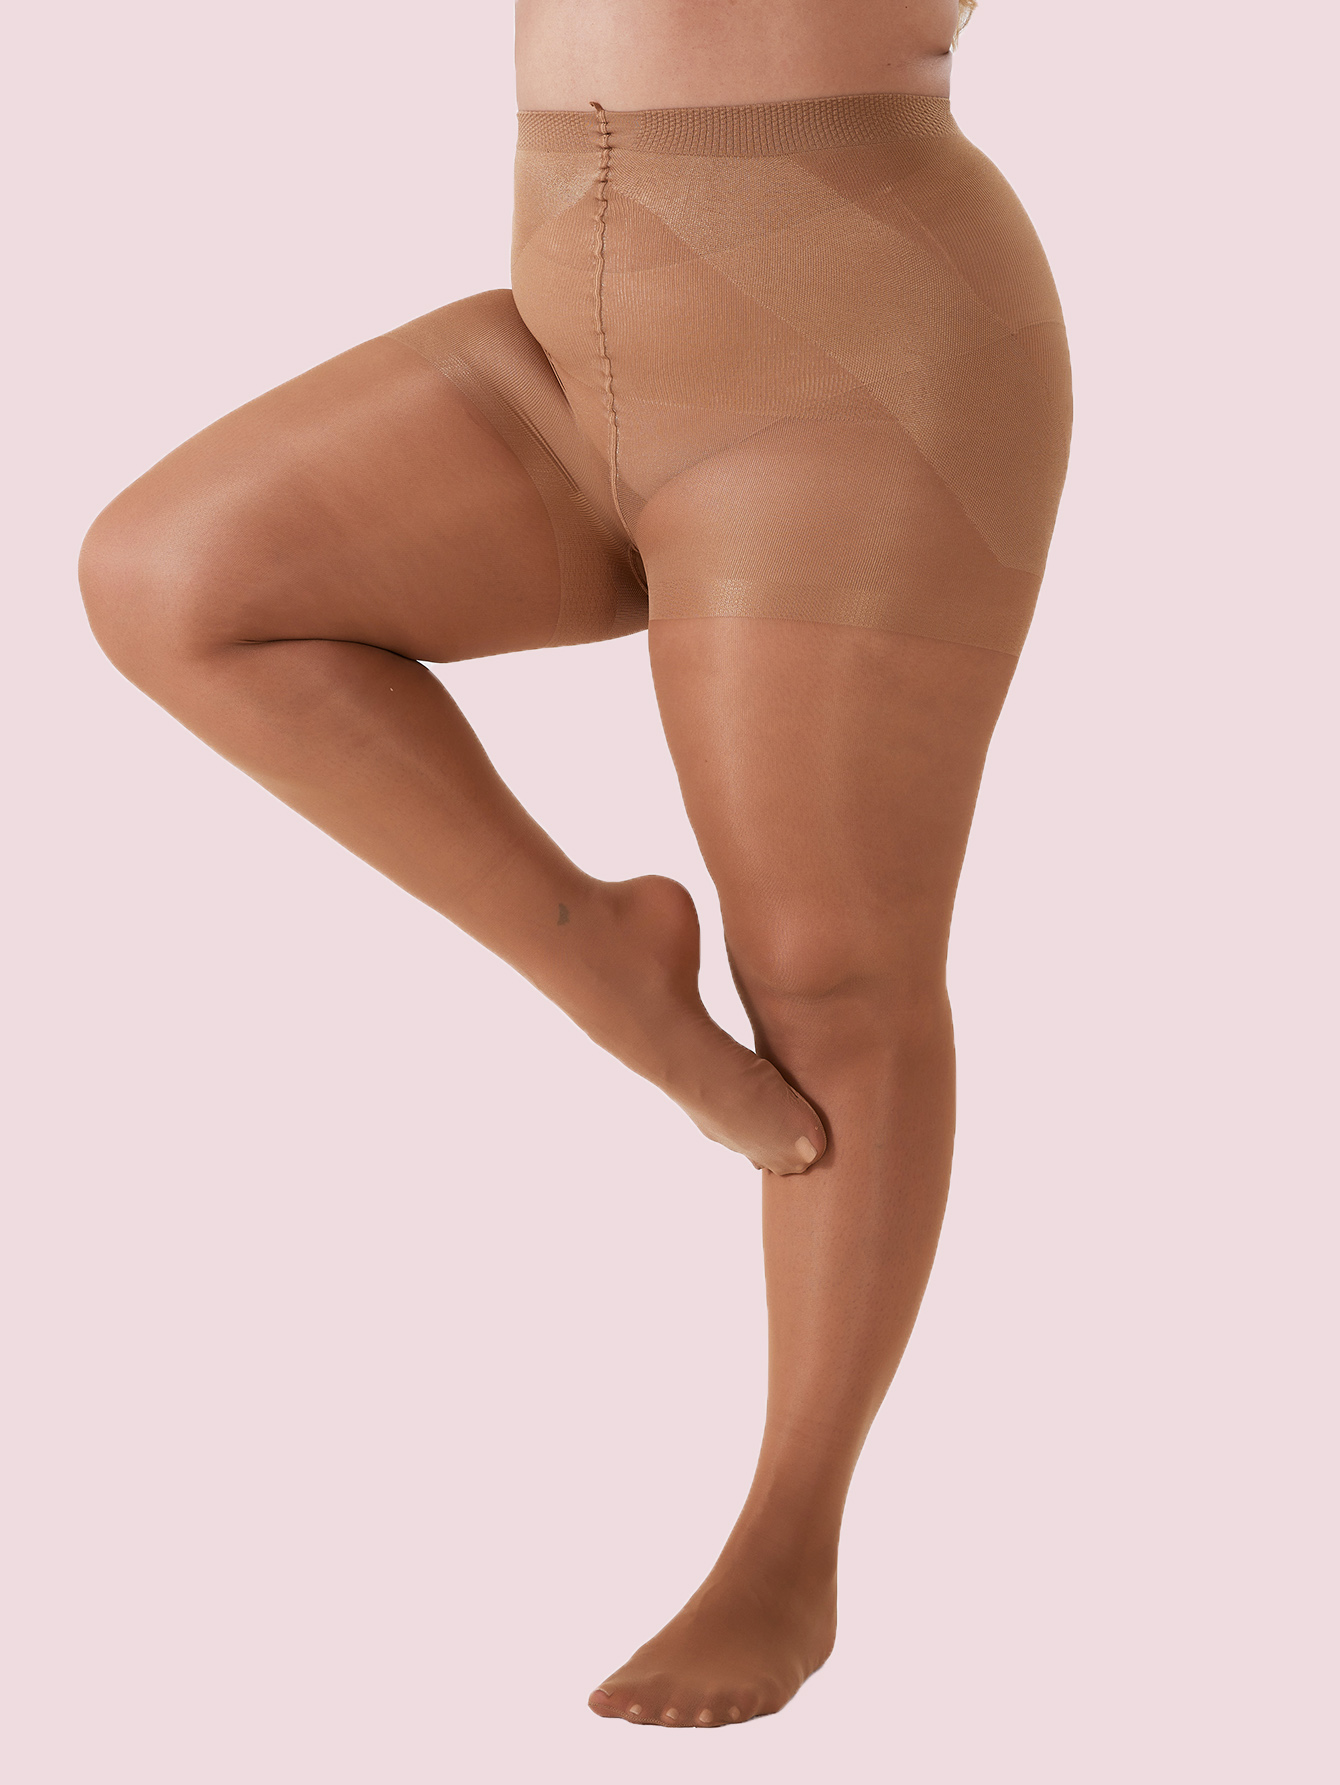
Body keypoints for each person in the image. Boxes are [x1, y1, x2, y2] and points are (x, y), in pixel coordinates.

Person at [78, 0, 1071, 1730]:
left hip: (852, 351)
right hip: (565, 329)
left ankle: (787, 1535)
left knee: (828, 967)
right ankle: (604, 958)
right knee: (178, 577)